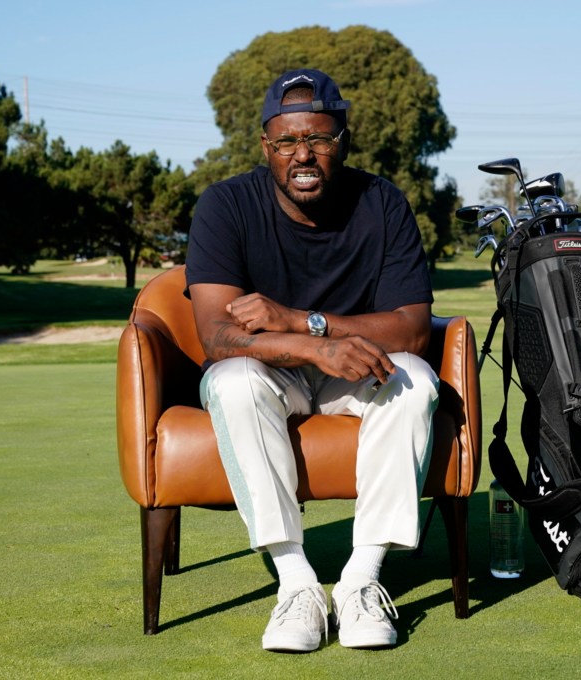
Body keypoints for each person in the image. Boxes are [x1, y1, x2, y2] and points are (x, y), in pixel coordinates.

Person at [185, 68, 439, 653]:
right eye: (287, 142)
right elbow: (217, 338)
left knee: (416, 380)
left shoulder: (382, 202)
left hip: (353, 376)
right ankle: (296, 585)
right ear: (266, 146)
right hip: (276, 375)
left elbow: (414, 329)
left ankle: (361, 580)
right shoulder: (226, 205)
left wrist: (302, 320)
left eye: (320, 140)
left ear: (342, 141)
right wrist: (313, 347)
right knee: (231, 380)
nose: (304, 154)